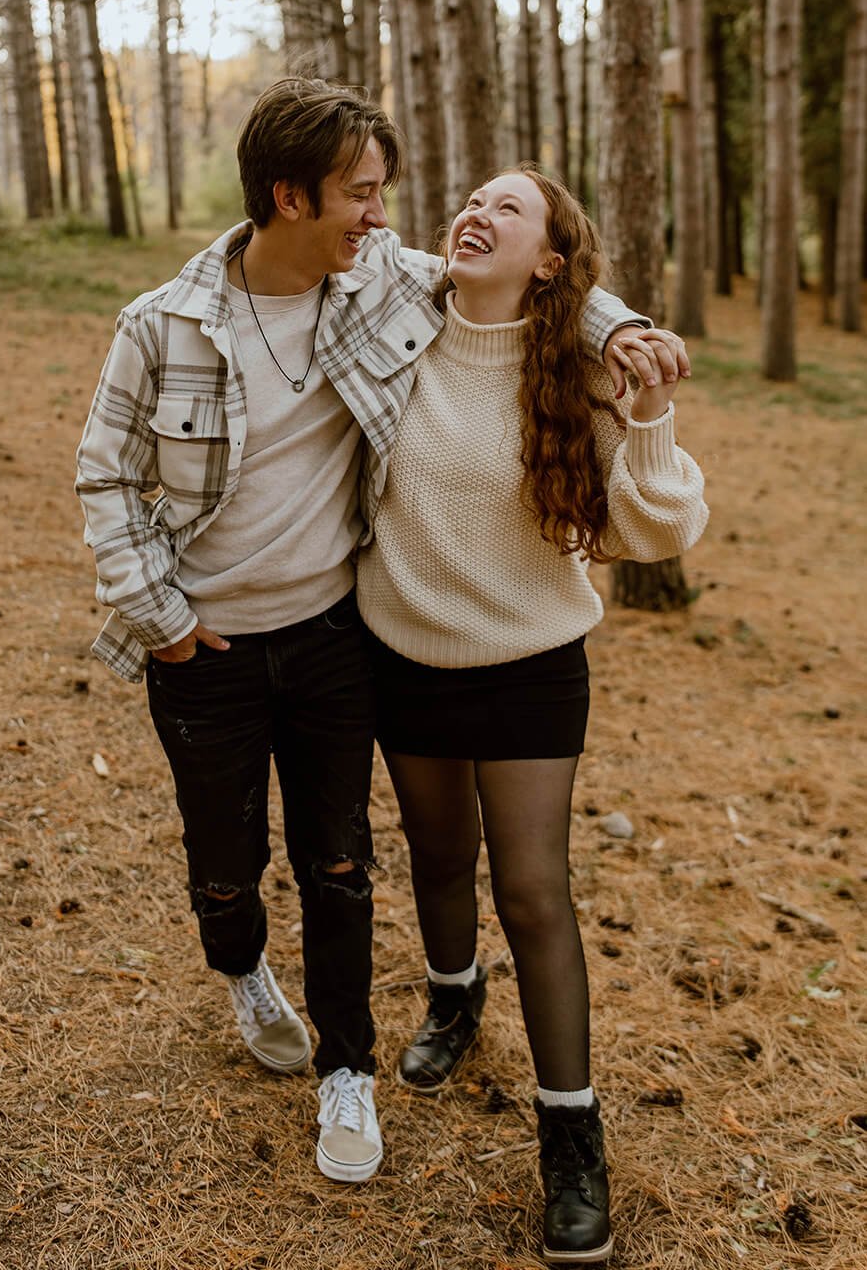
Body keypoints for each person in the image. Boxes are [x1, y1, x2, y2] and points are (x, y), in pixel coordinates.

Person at [75, 79, 688, 1187]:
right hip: (220, 647)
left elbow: (548, 275)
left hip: (334, 640)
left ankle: (357, 1073)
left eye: (385, 194)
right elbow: (105, 478)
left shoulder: (379, 287)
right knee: (233, 867)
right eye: (361, 194)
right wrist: (161, 621)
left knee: (346, 865)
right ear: (288, 194)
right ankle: (252, 967)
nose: (381, 214)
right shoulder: (165, 326)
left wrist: (625, 325)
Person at [355, 163, 708, 1258]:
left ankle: (570, 1136)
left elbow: (655, 534)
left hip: (527, 664)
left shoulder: (577, 368)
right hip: (401, 651)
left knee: (533, 890)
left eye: (506, 208)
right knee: (433, 852)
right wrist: (614, 312)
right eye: (469, 198)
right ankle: (453, 1001)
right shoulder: (393, 313)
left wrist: (643, 405)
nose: (474, 210)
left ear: (549, 259)